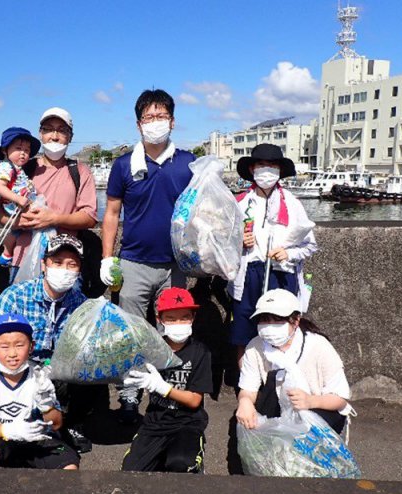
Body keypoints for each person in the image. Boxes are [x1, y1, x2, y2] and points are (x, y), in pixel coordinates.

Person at [100, 89, 194, 422]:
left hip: (175, 265)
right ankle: (129, 396)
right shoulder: (124, 165)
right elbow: (111, 213)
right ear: (139, 124)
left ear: (173, 121)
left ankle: (165, 393)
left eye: (161, 116)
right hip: (134, 262)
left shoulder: (188, 163)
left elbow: (206, 210)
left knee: (171, 331)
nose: (156, 123)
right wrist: (107, 258)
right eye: (149, 117)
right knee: (131, 334)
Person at [0, 233, 104, 453]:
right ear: (44, 265)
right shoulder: (14, 296)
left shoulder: (81, 304)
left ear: (79, 270)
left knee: (94, 369)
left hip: (60, 368)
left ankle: (73, 423)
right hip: (22, 366)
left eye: (72, 264)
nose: (64, 269)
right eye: (57, 262)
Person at [231, 288, 353, 473]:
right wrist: (245, 402)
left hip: (320, 410)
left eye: (277, 319)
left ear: (295, 321)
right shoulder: (254, 347)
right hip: (278, 408)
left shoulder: (319, 346)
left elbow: (341, 397)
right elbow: (248, 388)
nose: (269, 326)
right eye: (264, 320)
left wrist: (312, 401)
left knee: (309, 463)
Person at [225, 143, 317, 386]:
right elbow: (222, 246)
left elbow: (309, 245)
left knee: (283, 332)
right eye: (262, 165)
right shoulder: (240, 203)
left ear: (279, 171)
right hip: (247, 276)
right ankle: (248, 388)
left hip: (282, 275)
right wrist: (239, 242)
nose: (267, 171)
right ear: (252, 169)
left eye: (273, 166)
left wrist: (287, 253)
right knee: (243, 335)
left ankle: (281, 388)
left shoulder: (293, 203)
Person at [0, 107, 97, 280]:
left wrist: (54, 219)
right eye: (48, 129)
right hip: (22, 261)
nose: (54, 136)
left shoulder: (80, 171)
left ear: (70, 137)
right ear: (40, 134)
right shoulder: (23, 168)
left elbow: (90, 218)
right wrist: (20, 222)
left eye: (62, 130)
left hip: (65, 265)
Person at [0, 313, 80, 470]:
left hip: (37, 438)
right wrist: (10, 430)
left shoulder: (40, 375)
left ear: (31, 346)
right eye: (4, 347)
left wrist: (47, 406)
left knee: (69, 467)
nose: (12, 354)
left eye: (19, 345)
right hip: (1, 438)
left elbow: (56, 424)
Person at [122, 287, 212, 473]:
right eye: (171, 318)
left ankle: (194, 459)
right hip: (155, 422)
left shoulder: (200, 352)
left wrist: (163, 388)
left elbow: (195, 401)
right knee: (131, 471)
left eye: (184, 317)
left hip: (187, 423)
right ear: (159, 320)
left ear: (193, 318)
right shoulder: (152, 348)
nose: (178, 323)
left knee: (180, 464)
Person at [0, 127, 41, 266]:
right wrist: (18, 199)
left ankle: (7, 253)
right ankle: (7, 252)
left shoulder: (18, 168)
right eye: (18, 148)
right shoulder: (5, 166)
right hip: (15, 204)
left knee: (15, 230)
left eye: (27, 150)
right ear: (5, 150)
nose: (23, 153)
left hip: (21, 202)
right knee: (38, 223)